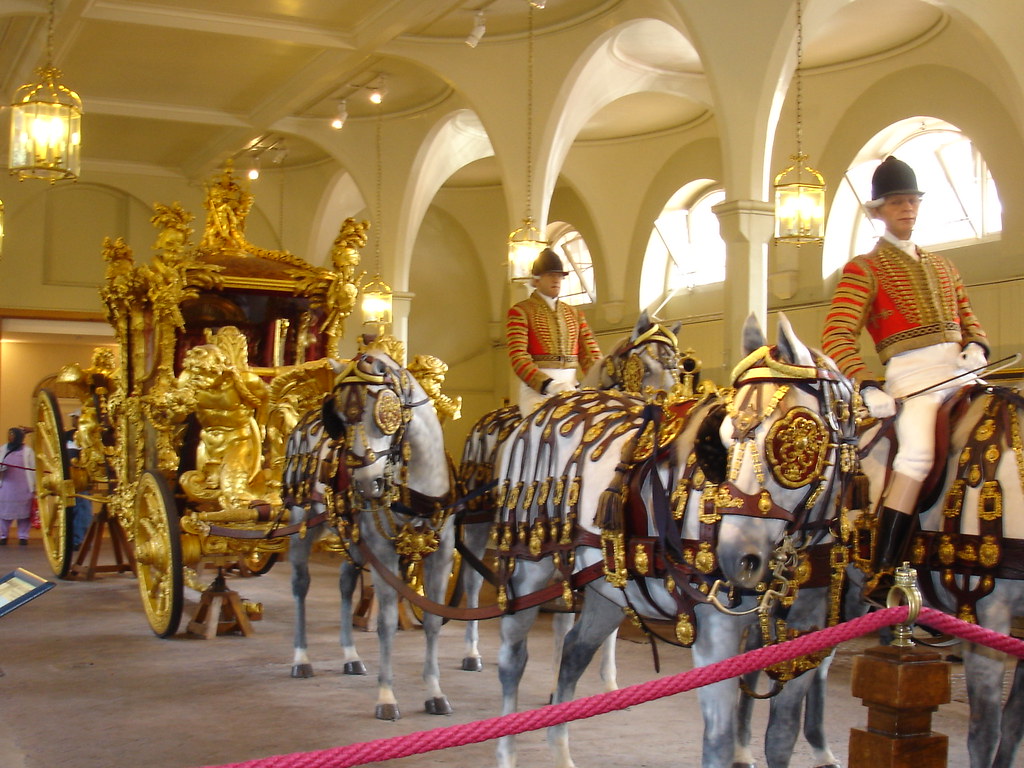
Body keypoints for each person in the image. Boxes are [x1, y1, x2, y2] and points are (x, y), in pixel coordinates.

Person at [821, 155, 989, 596]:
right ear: (879, 212)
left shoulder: (945, 266)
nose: (907, 210)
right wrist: (866, 383)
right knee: (915, 452)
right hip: (912, 381)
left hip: (962, 370)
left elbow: (971, 320)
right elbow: (838, 336)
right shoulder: (863, 268)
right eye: (897, 203)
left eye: (912, 202)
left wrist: (977, 345)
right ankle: (884, 567)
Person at [506, 248, 602, 417]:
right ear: (536, 280)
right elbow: (518, 357)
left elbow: (591, 356)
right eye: (550, 275)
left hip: (572, 388)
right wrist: (548, 385)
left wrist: (603, 377)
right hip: (537, 392)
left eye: (559, 276)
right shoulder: (521, 311)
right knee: (538, 426)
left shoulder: (574, 314)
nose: (556, 279)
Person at [0, 427, 36, 546]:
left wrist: (35, 486)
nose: (10, 437)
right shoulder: (3, 449)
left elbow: (33, 468)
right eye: (9, 434)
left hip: (23, 487)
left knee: (24, 514)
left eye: (13, 434)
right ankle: (3, 536)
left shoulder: (28, 451)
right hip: (6, 487)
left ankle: (23, 536)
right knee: (4, 513)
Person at [64, 411, 93, 550]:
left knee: (82, 508)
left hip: (81, 478)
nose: (74, 421)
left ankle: (77, 539)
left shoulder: (88, 436)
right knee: (72, 509)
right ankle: (71, 538)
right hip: (68, 477)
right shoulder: (67, 436)